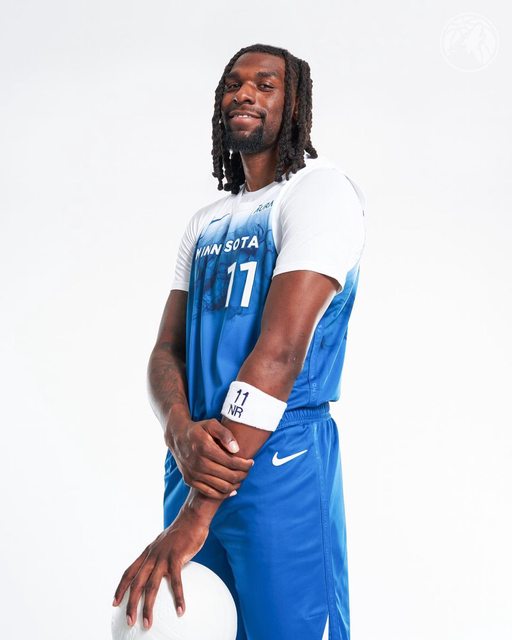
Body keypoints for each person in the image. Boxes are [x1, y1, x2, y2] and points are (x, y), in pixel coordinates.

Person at [112, 43, 366, 640]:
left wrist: (196, 512)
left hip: (277, 459)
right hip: (194, 455)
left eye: (265, 84)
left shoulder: (318, 193)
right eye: (233, 84)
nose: (244, 93)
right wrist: (179, 429)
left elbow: (280, 353)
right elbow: (165, 351)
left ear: (294, 104)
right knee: (186, 626)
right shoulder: (206, 222)